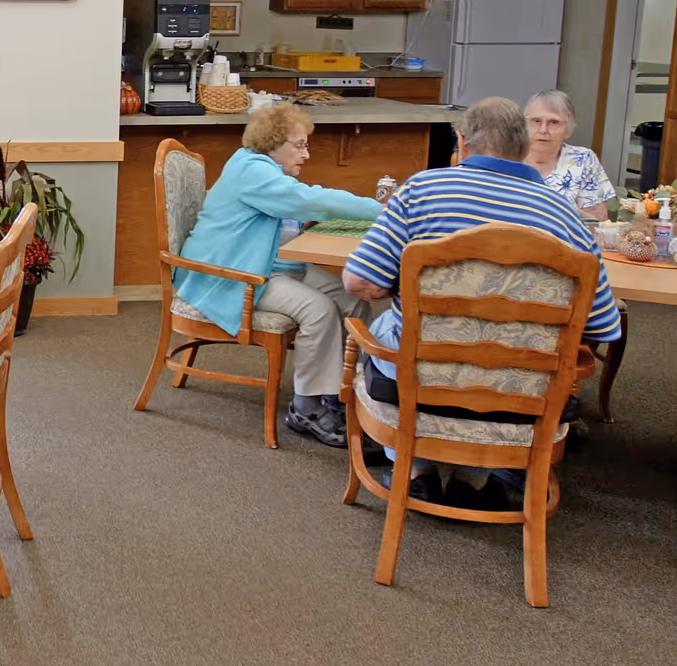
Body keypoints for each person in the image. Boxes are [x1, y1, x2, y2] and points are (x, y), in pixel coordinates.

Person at [344, 97, 621, 503]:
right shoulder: (567, 216)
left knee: (388, 326)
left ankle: (414, 467)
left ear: (462, 142)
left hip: (424, 381)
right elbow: (601, 326)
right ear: (525, 145)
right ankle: (487, 472)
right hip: (524, 393)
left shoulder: (421, 190)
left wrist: (400, 287)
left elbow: (358, 282)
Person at [172, 104, 385, 448]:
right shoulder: (251, 171)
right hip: (233, 274)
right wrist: (380, 210)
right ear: (272, 143)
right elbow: (306, 199)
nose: (306, 153)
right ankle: (306, 409)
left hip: (269, 264)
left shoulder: (263, 171)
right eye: (299, 145)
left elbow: (284, 216)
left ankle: (339, 392)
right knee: (318, 310)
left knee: (353, 298)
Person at [524, 89, 615, 220]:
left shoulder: (583, 159)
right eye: (536, 121)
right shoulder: (507, 155)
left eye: (554, 122)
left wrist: (562, 211)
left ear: (568, 129)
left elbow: (597, 222)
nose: (543, 130)